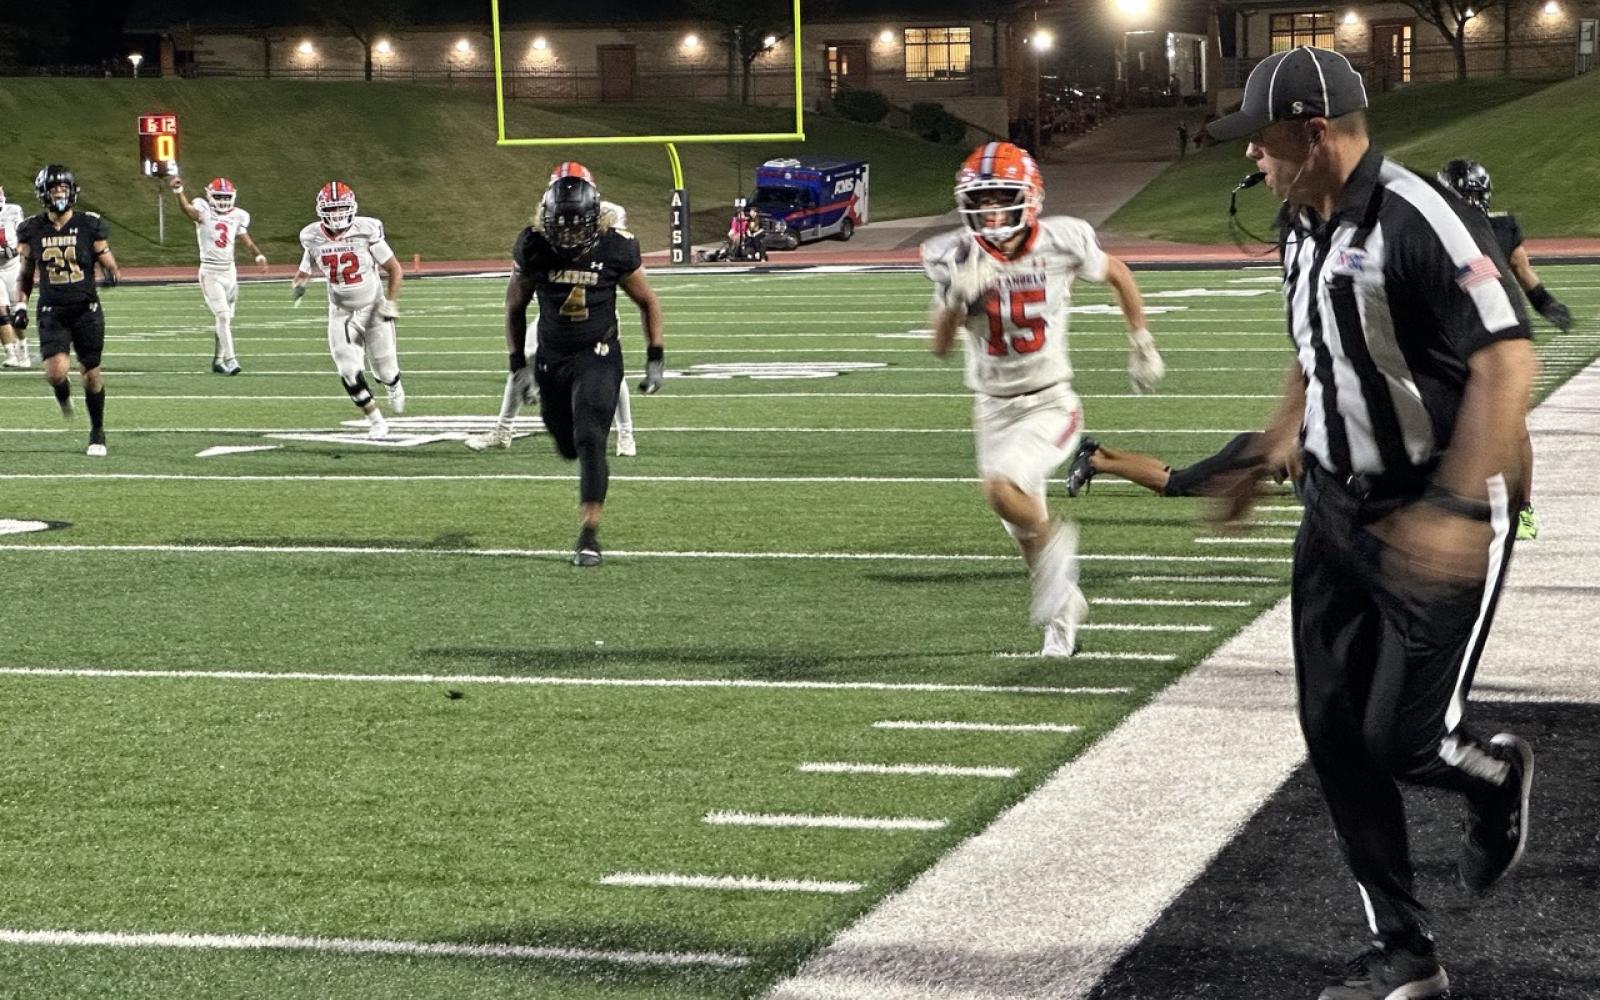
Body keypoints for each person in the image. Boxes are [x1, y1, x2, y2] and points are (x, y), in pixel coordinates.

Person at [1204, 47, 1536, 1000]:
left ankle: (1491, 779)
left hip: (1436, 501)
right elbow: (1315, 348)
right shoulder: (1295, 221)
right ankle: (1405, 952)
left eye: (1263, 143)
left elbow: (1508, 360)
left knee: (1405, 737)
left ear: (1314, 132)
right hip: (1337, 504)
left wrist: (1454, 505)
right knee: (1333, 730)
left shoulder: (1418, 215)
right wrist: (1275, 445)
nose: (1252, 162)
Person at [921, 140, 1163, 657]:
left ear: (1028, 198)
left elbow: (1118, 273)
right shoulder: (952, 255)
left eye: (1000, 198)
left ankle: (1059, 549)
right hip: (991, 406)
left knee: (1001, 490)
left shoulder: (1063, 240)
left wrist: (1140, 339)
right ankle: (1062, 616)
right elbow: (939, 347)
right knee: (1019, 526)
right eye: (980, 200)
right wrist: (955, 298)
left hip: (1049, 401)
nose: (990, 212)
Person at [502, 164, 665, 566]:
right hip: (551, 356)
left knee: (591, 437)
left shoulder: (616, 245)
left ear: (597, 216)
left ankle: (589, 536)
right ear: (547, 217)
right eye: (563, 223)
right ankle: (572, 445)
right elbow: (514, 305)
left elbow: (647, 301)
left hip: (599, 353)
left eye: (579, 223)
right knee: (566, 442)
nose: (571, 232)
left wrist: (655, 355)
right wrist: (517, 365)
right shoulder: (533, 245)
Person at [465, 162, 639, 457]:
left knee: (609, 370)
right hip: (556, 307)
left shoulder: (608, 214)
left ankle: (626, 434)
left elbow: (608, 256)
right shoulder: (547, 213)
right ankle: (503, 430)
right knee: (522, 359)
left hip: (593, 308)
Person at [1438, 158, 1572, 541]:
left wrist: (1548, 305)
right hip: (1450, 339)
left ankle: (1523, 507)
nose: (1469, 200)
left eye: (1473, 194)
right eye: (1464, 193)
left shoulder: (1501, 228)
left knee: (1513, 429)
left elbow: (1524, 273)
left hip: (1495, 337)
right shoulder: (1433, 230)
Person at [14, 165, 121, 456]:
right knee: (55, 372)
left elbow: (108, 261)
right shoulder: (32, 228)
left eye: (64, 189)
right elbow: (25, 273)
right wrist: (21, 304)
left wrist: (111, 272)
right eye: (54, 190)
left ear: (72, 191)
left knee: (91, 374)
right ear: (43, 194)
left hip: (86, 308)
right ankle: (63, 398)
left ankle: (97, 431)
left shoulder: (89, 224)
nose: (60, 194)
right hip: (52, 309)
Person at [290, 181, 405, 439]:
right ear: (321, 210)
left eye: (342, 209)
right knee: (347, 369)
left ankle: (393, 385)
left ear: (352, 208)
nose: (337, 215)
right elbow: (307, 263)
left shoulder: (367, 230)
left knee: (385, 371)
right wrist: (300, 282)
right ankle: (375, 420)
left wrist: (391, 301)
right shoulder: (310, 235)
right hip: (341, 313)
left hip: (373, 308)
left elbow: (395, 269)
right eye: (331, 209)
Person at [167, 173, 269, 375]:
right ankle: (231, 360)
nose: (222, 200)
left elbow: (245, 239)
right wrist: (179, 191)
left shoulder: (238, 215)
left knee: (226, 318)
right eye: (219, 196)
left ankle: (218, 360)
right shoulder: (203, 210)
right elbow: (188, 210)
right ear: (210, 196)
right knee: (222, 316)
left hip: (230, 271)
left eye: (225, 196)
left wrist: (258, 255)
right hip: (210, 271)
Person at [1064, 432, 1293, 498]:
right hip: (1249, 455)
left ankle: (1097, 451)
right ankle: (1094, 463)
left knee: (1173, 475)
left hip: (1252, 447)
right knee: (1173, 484)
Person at [0, 184, 31, 369]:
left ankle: (22, 349)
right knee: (0, 312)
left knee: (16, 314)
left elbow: (24, 237)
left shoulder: (13, 210)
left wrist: (16, 251)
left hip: (12, 267)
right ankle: (10, 353)